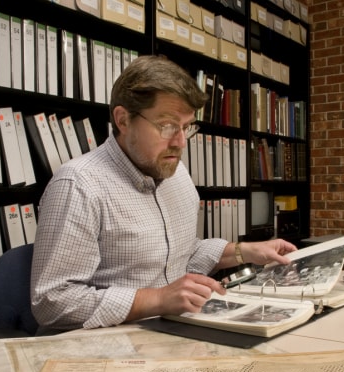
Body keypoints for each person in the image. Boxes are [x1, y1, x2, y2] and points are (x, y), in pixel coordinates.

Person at [31, 55, 297, 333]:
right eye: (167, 126)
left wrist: (244, 252)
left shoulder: (176, 173)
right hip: (109, 347)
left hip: (173, 331)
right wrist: (157, 299)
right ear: (123, 120)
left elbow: (181, 254)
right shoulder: (79, 184)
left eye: (186, 127)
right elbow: (51, 302)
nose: (180, 142)